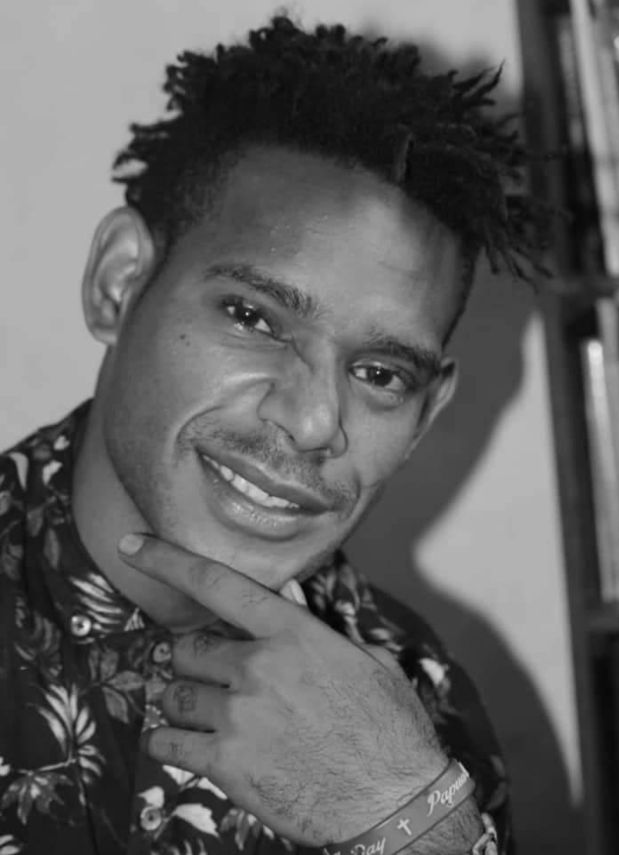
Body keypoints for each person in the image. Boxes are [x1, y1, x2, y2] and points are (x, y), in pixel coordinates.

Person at [0, 15, 541, 855]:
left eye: (380, 373)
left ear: (425, 415)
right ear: (119, 284)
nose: (315, 418)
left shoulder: (423, 710)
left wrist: (414, 822)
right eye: (254, 317)